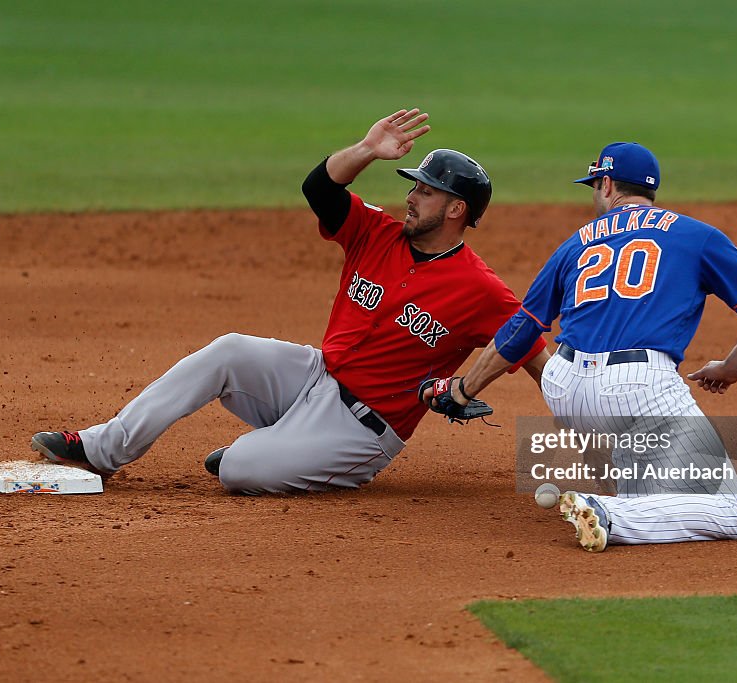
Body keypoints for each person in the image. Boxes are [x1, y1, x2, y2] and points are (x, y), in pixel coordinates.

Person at [30, 109, 548, 495]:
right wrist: (368, 149)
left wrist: (598, 420)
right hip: (313, 376)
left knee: (237, 469)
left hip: (362, 429)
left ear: (457, 209)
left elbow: (534, 353)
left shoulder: (479, 289)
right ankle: (103, 449)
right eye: (414, 186)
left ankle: (275, 454)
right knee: (230, 350)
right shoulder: (377, 233)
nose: (411, 196)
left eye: (427, 192)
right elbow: (320, 187)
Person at [423, 141, 737, 551]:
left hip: (564, 386)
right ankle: (608, 511)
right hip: (636, 389)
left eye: (594, 185)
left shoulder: (575, 243)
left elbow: (523, 328)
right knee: (732, 513)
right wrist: (729, 369)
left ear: (608, 184)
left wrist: (463, 389)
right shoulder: (695, 235)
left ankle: (625, 504)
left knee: (649, 486)